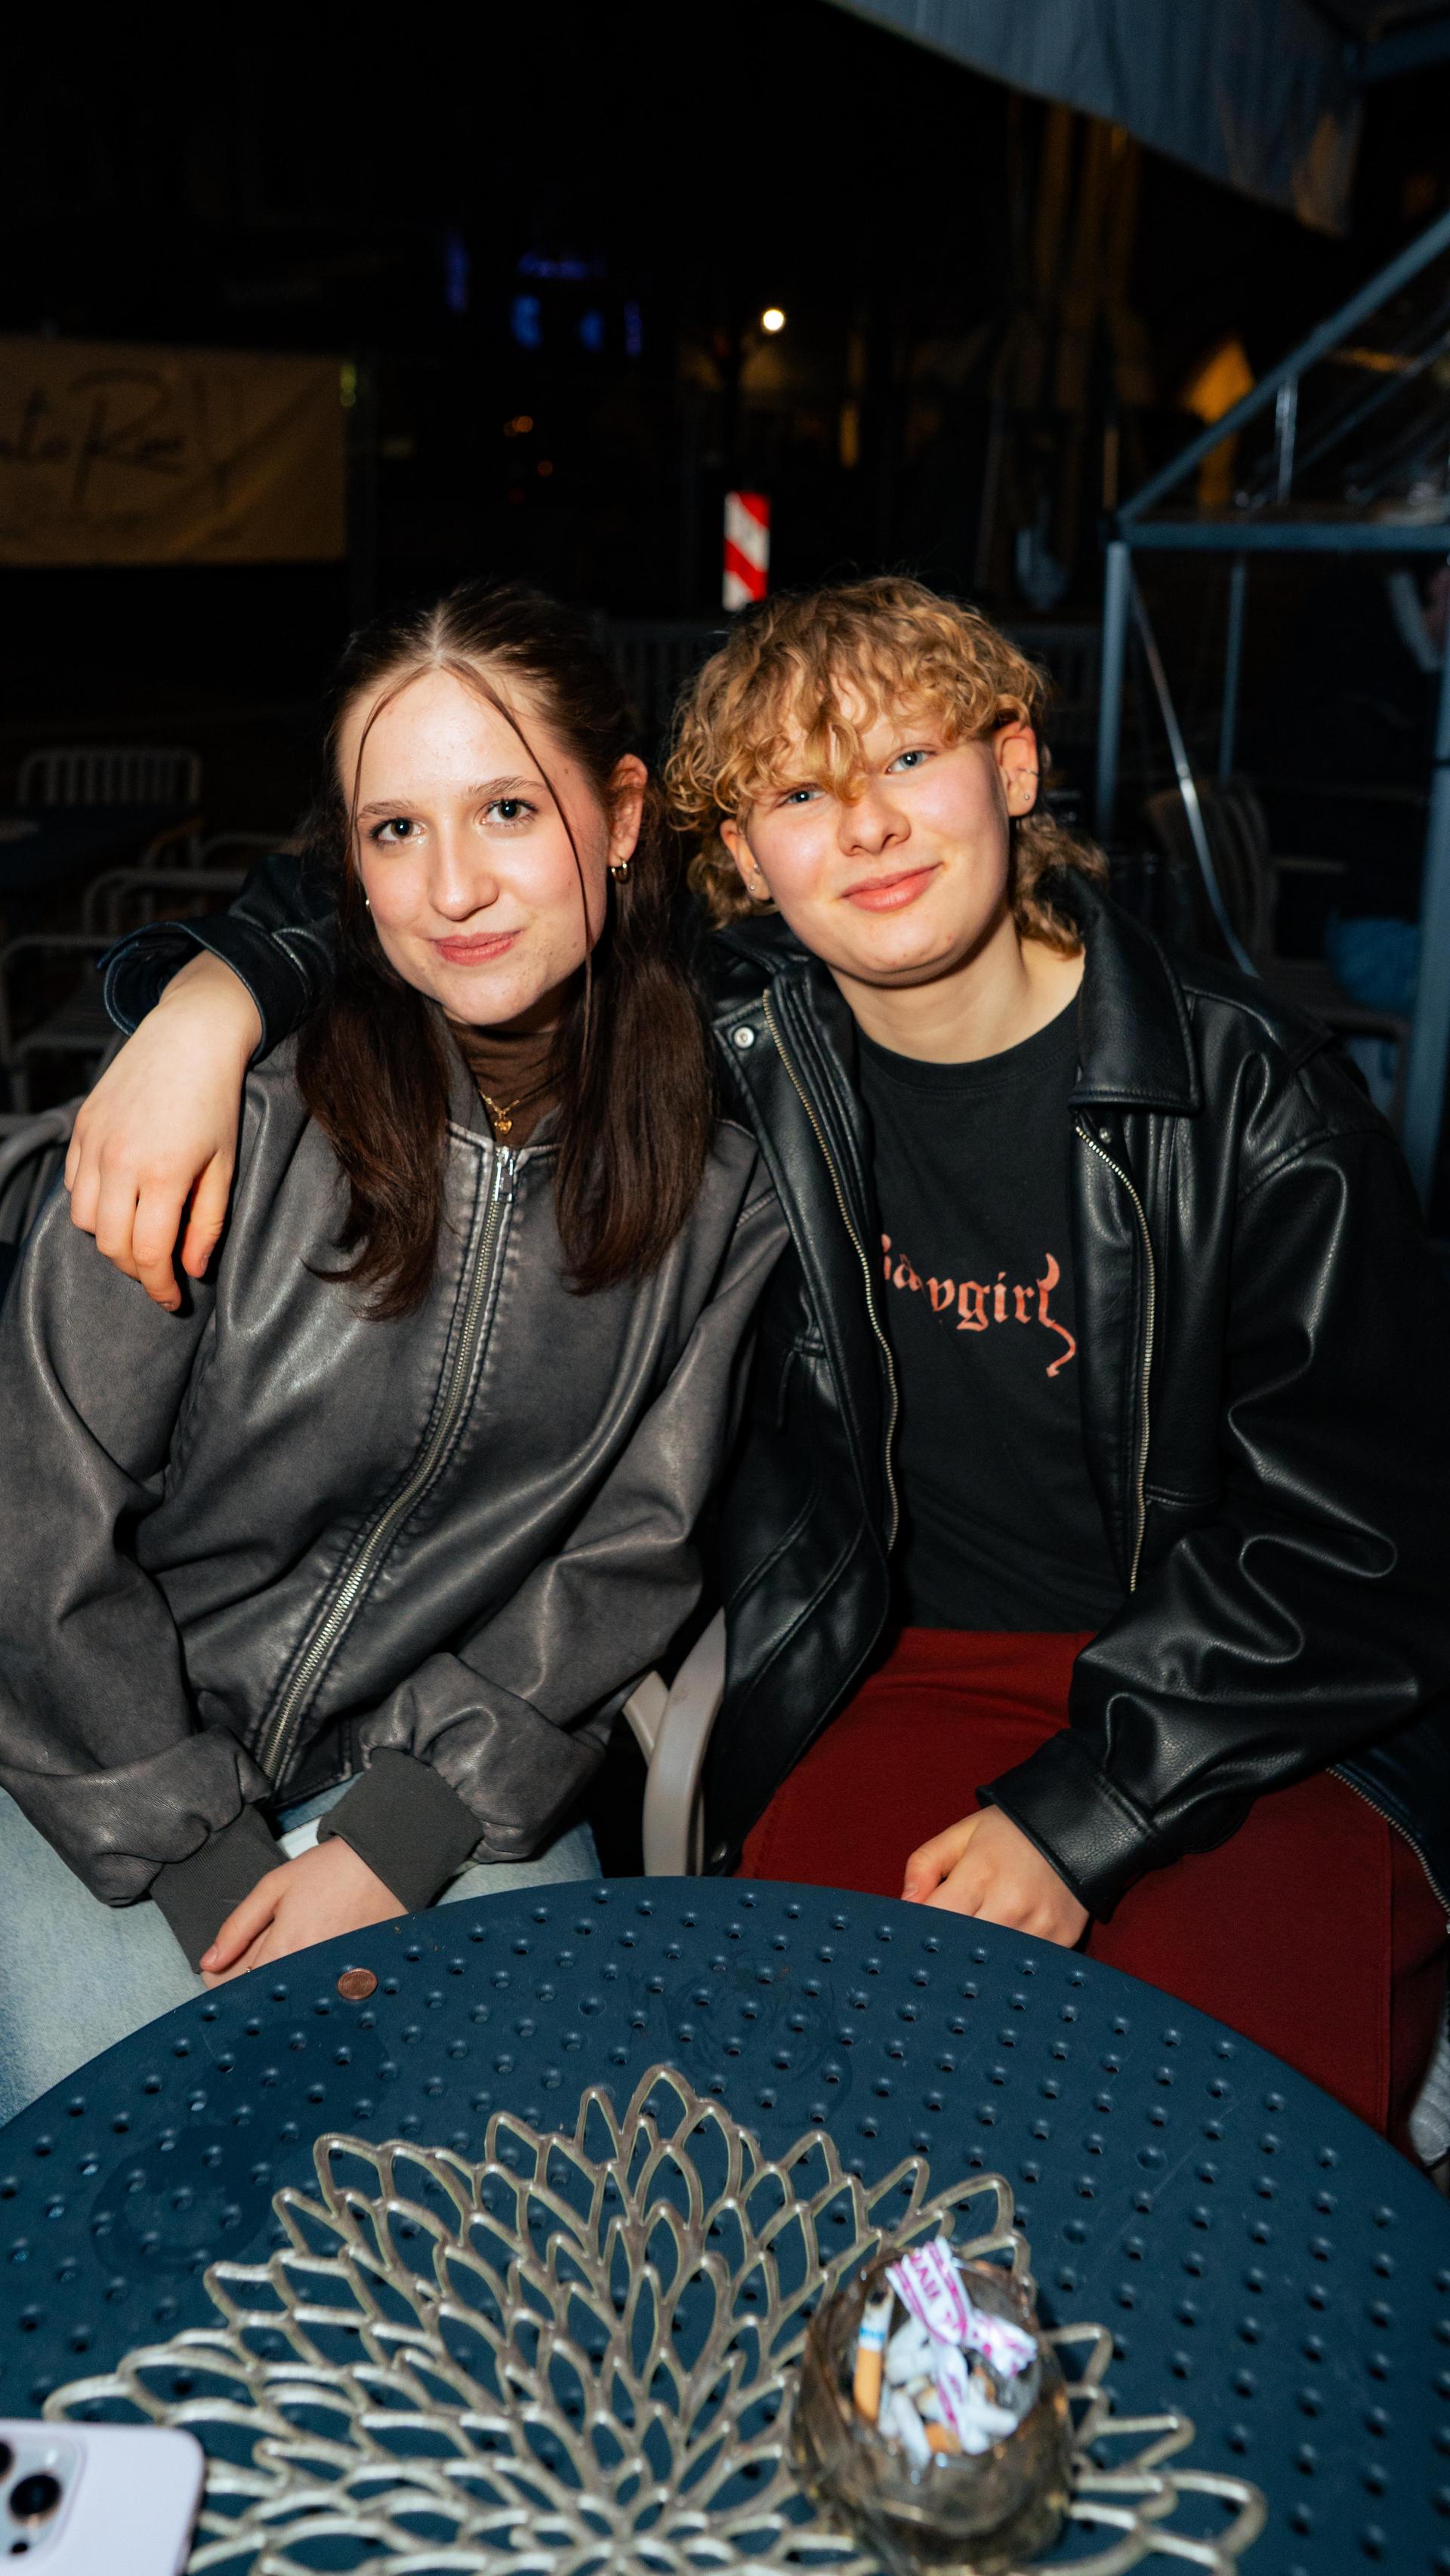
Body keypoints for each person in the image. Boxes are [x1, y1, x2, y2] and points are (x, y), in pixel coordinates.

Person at [68, 577, 1450, 2146]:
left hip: (1243, 1711)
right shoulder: (735, 1048)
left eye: (909, 761)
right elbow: (445, 883)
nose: (864, 830)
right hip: (884, 1673)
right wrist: (208, 994)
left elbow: (1355, 1549)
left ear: (1011, 769)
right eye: (801, 791)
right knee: (795, 2139)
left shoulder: (1256, 1103)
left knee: (1221, 2140)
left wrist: (1090, 1814)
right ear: (735, 854)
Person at [0, 581, 782, 2125]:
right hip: (98, 1766)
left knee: (514, 2187)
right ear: (345, 867)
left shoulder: (720, 1187)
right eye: (395, 830)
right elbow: (38, 1524)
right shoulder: (232, 1113)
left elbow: (631, 1554)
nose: (455, 886)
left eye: (506, 807)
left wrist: (404, 1831)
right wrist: (203, 1854)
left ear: (620, 815)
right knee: (131, 2183)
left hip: (447, 1771)